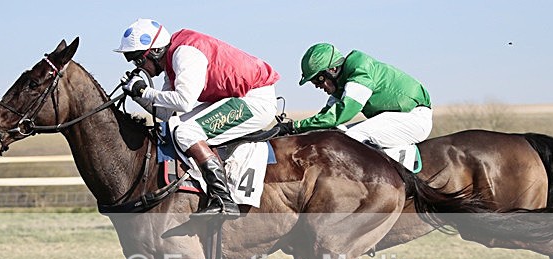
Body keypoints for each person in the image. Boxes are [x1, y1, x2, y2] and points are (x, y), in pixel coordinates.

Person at [114, 19, 280, 217]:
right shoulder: (172, 62)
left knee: (186, 132)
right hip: (238, 97)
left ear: (155, 52)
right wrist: (139, 96)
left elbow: (184, 102)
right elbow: (168, 114)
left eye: (139, 60)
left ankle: (224, 199)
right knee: (177, 125)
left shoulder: (185, 54)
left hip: (255, 99)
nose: (139, 67)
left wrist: (147, 92)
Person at [281, 43, 432, 149]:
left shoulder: (360, 70)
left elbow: (342, 113)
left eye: (318, 79)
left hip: (414, 119)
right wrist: (293, 130)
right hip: (396, 117)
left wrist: (296, 126)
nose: (317, 86)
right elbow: (326, 118)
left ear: (332, 69)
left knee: (351, 138)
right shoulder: (342, 84)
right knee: (336, 134)